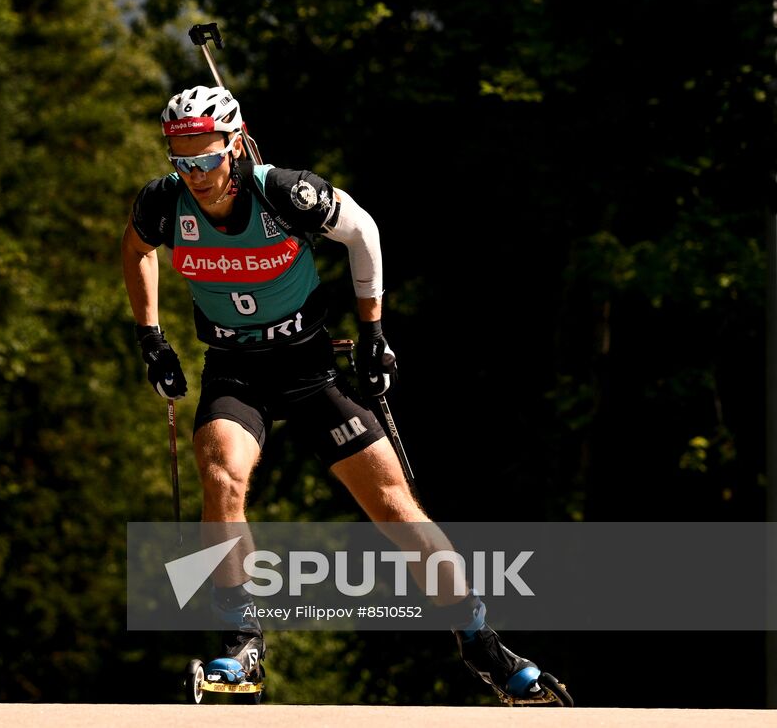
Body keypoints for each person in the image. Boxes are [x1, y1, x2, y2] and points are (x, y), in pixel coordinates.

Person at [121, 85, 566, 705]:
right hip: (234, 367)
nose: (195, 173)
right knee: (221, 476)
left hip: (307, 367)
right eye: (182, 159)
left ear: (235, 142)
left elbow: (363, 232)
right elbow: (136, 248)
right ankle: (240, 642)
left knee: (393, 504)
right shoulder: (164, 203)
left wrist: (374, 333)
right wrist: (151, 338)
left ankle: (482, 642)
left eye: (206, 156)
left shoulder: (283, 192)